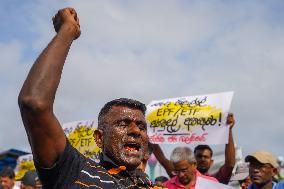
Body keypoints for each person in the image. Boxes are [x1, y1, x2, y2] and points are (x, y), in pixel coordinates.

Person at [18, 7, 154, 189]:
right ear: (99, 138)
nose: (135, 131)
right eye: (122, 124)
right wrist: (68, 30)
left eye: (141, 126)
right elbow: (34, 103)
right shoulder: (77, 172)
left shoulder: (153, 186)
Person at [151, 113, 235, 184]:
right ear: (193, 161)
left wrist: (229, 130)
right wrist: (150, 135)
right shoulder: (180, 175)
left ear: (212, 161)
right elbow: (163, 160)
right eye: (199, 156)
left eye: (206, 157)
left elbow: (230, 165)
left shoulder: (215, 181)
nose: (202, 159)